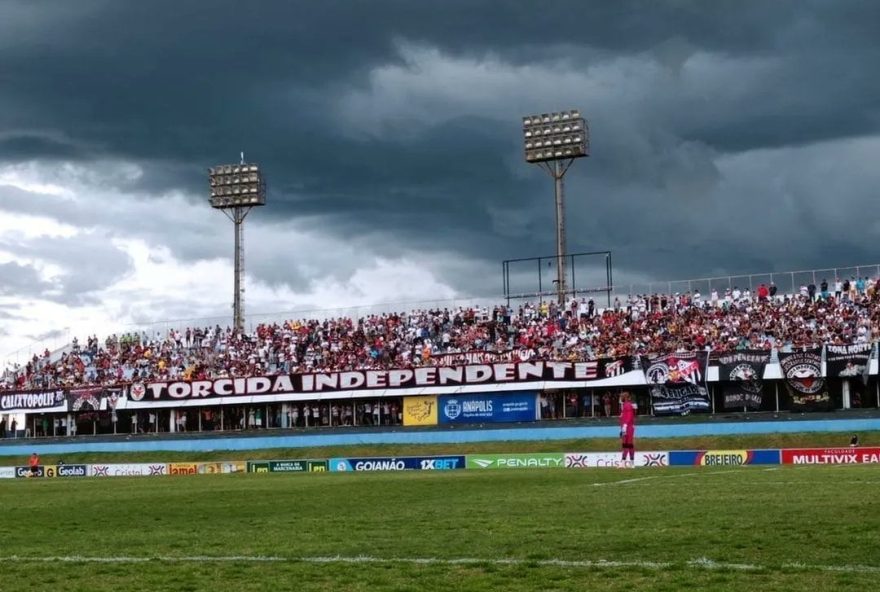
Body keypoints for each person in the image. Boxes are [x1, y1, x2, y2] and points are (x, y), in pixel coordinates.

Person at [619, 392, 637, 468]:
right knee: (629, 445)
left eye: (621, 397)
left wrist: (625, 425)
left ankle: (623, 462)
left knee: (626, 444)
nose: (620, 399)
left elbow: (629, 416)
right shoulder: (625, 405)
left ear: (625, 397)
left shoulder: (627, 405)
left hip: (627, 427)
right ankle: (631, 463)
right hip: (627, 426)